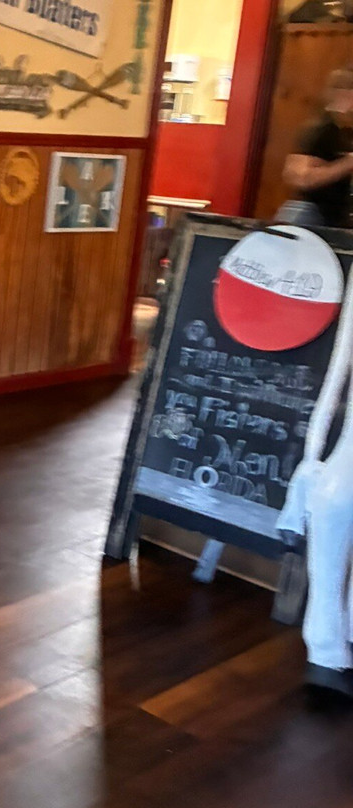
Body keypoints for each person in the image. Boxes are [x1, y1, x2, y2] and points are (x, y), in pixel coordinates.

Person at [278, 257, 353, 698]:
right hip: (341, 471)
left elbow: (335, 380)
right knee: (329, 569)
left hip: (341, 470)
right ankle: (329, 654)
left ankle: (326, 656)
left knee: (327, 572)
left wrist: (311, 463)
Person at [279, 67, 353, 228]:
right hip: (309, 217)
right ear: (344, 95)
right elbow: (299, 176)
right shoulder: (321, 129)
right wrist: (346, 164)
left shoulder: (344, 132)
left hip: (333, 219)